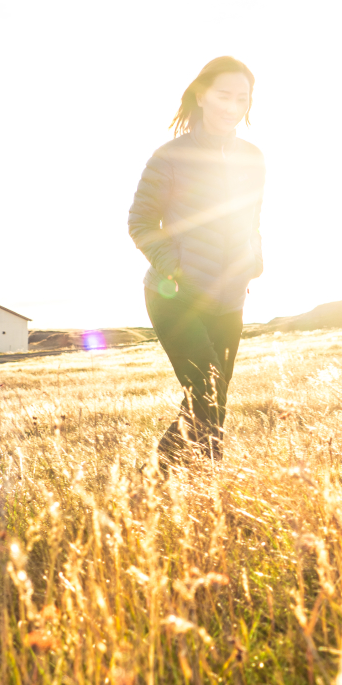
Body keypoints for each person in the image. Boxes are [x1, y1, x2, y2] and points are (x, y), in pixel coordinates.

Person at [127, 56, 265, 466]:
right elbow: (140, 222)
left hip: (228, 300)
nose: (231, 105)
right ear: (201, 95)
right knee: (206, 395)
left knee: (211, 400)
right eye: (223, 95)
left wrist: (254, 260)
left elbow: (252, 218)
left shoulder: (253, 158)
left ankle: (154, 479)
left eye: (242, 98)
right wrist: (176, 267)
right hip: (176, 297)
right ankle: (204, 483)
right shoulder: (170, 157)